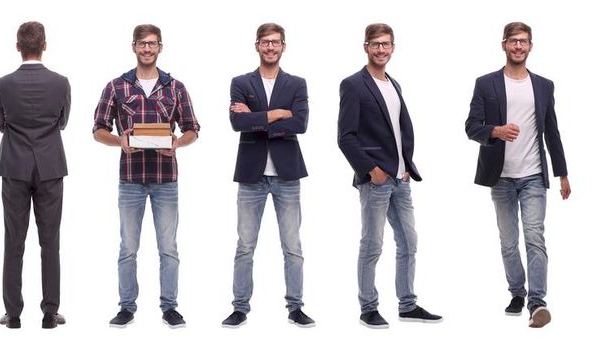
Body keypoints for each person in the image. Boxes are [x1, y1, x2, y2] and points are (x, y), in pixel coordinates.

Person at [92, 24, 200, 329]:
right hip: (131, 179)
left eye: (152, 44)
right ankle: (126, 307)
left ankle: (170, 307)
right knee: (128, 247)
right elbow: (99, 129)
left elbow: (192, 128)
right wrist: (119, 141)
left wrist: (178, 142)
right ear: (134, 47)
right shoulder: (116, 87)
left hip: (166, 178)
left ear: (160, 47)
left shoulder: (175, 87)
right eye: (142, 44)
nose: (147, 49)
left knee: (169, 247)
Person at [464, 21, 569, 329]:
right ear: (504, 45)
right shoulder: (486, 83)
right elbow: (471, 126)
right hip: (501, 177)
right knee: (509, 241)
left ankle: (537, 303)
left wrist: (562, 173)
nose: (519, 46)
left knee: (535, 237)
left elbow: (552, 131)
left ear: (530, 46)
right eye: (513, 41)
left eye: (524, 41)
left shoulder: (544, 85)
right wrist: (494, 131)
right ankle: (516, 293)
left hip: (534, 174)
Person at [337, 23, 442, 329]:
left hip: (401, 179)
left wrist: (405, 166)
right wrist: (371, 170)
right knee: (372, 245)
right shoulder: (354, 84)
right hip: (376, 180)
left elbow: (399, 130)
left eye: (386, 44)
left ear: (393, 48)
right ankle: (368, 308)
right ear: (365, 47)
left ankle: (407, 305)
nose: (380, 49)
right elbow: (346, 137)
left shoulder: (395, 84)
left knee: (409, 241)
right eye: (375, 44)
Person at [221, 23, 314, 329]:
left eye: (276, 42)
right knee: (245, 245)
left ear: (283, 46)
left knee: (293, 246)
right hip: (251, 175)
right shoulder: (240, 81)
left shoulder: (297, 84)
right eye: (265, 42)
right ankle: (240, 307)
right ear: (257, 45)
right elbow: (237, 122)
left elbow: (300, 124)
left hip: (287, 175)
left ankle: (296, 307)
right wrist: (277, 114)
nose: (271, 47)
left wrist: (256, 118)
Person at [0, 21, 70, 330]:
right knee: (50, 241)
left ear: (17, 47)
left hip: (14, 165)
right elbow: (63, 122)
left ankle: (13, 314)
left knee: (14, 240)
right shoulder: (61, 82)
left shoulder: (3, 83)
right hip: (50, 166)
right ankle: (50, 313)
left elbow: (1, 122)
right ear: (45, 45)